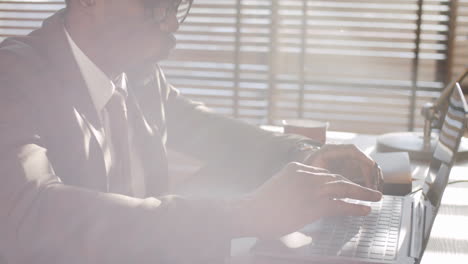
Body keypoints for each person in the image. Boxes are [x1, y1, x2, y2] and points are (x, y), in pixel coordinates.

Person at [0, 0, 383, 263]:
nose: (170, 24)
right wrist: (237, 215)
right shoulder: (14, 78)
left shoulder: (136, 72)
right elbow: (32, 213)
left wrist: (301, 155)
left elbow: (202, 127)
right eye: (155, 8)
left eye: (176, 6)